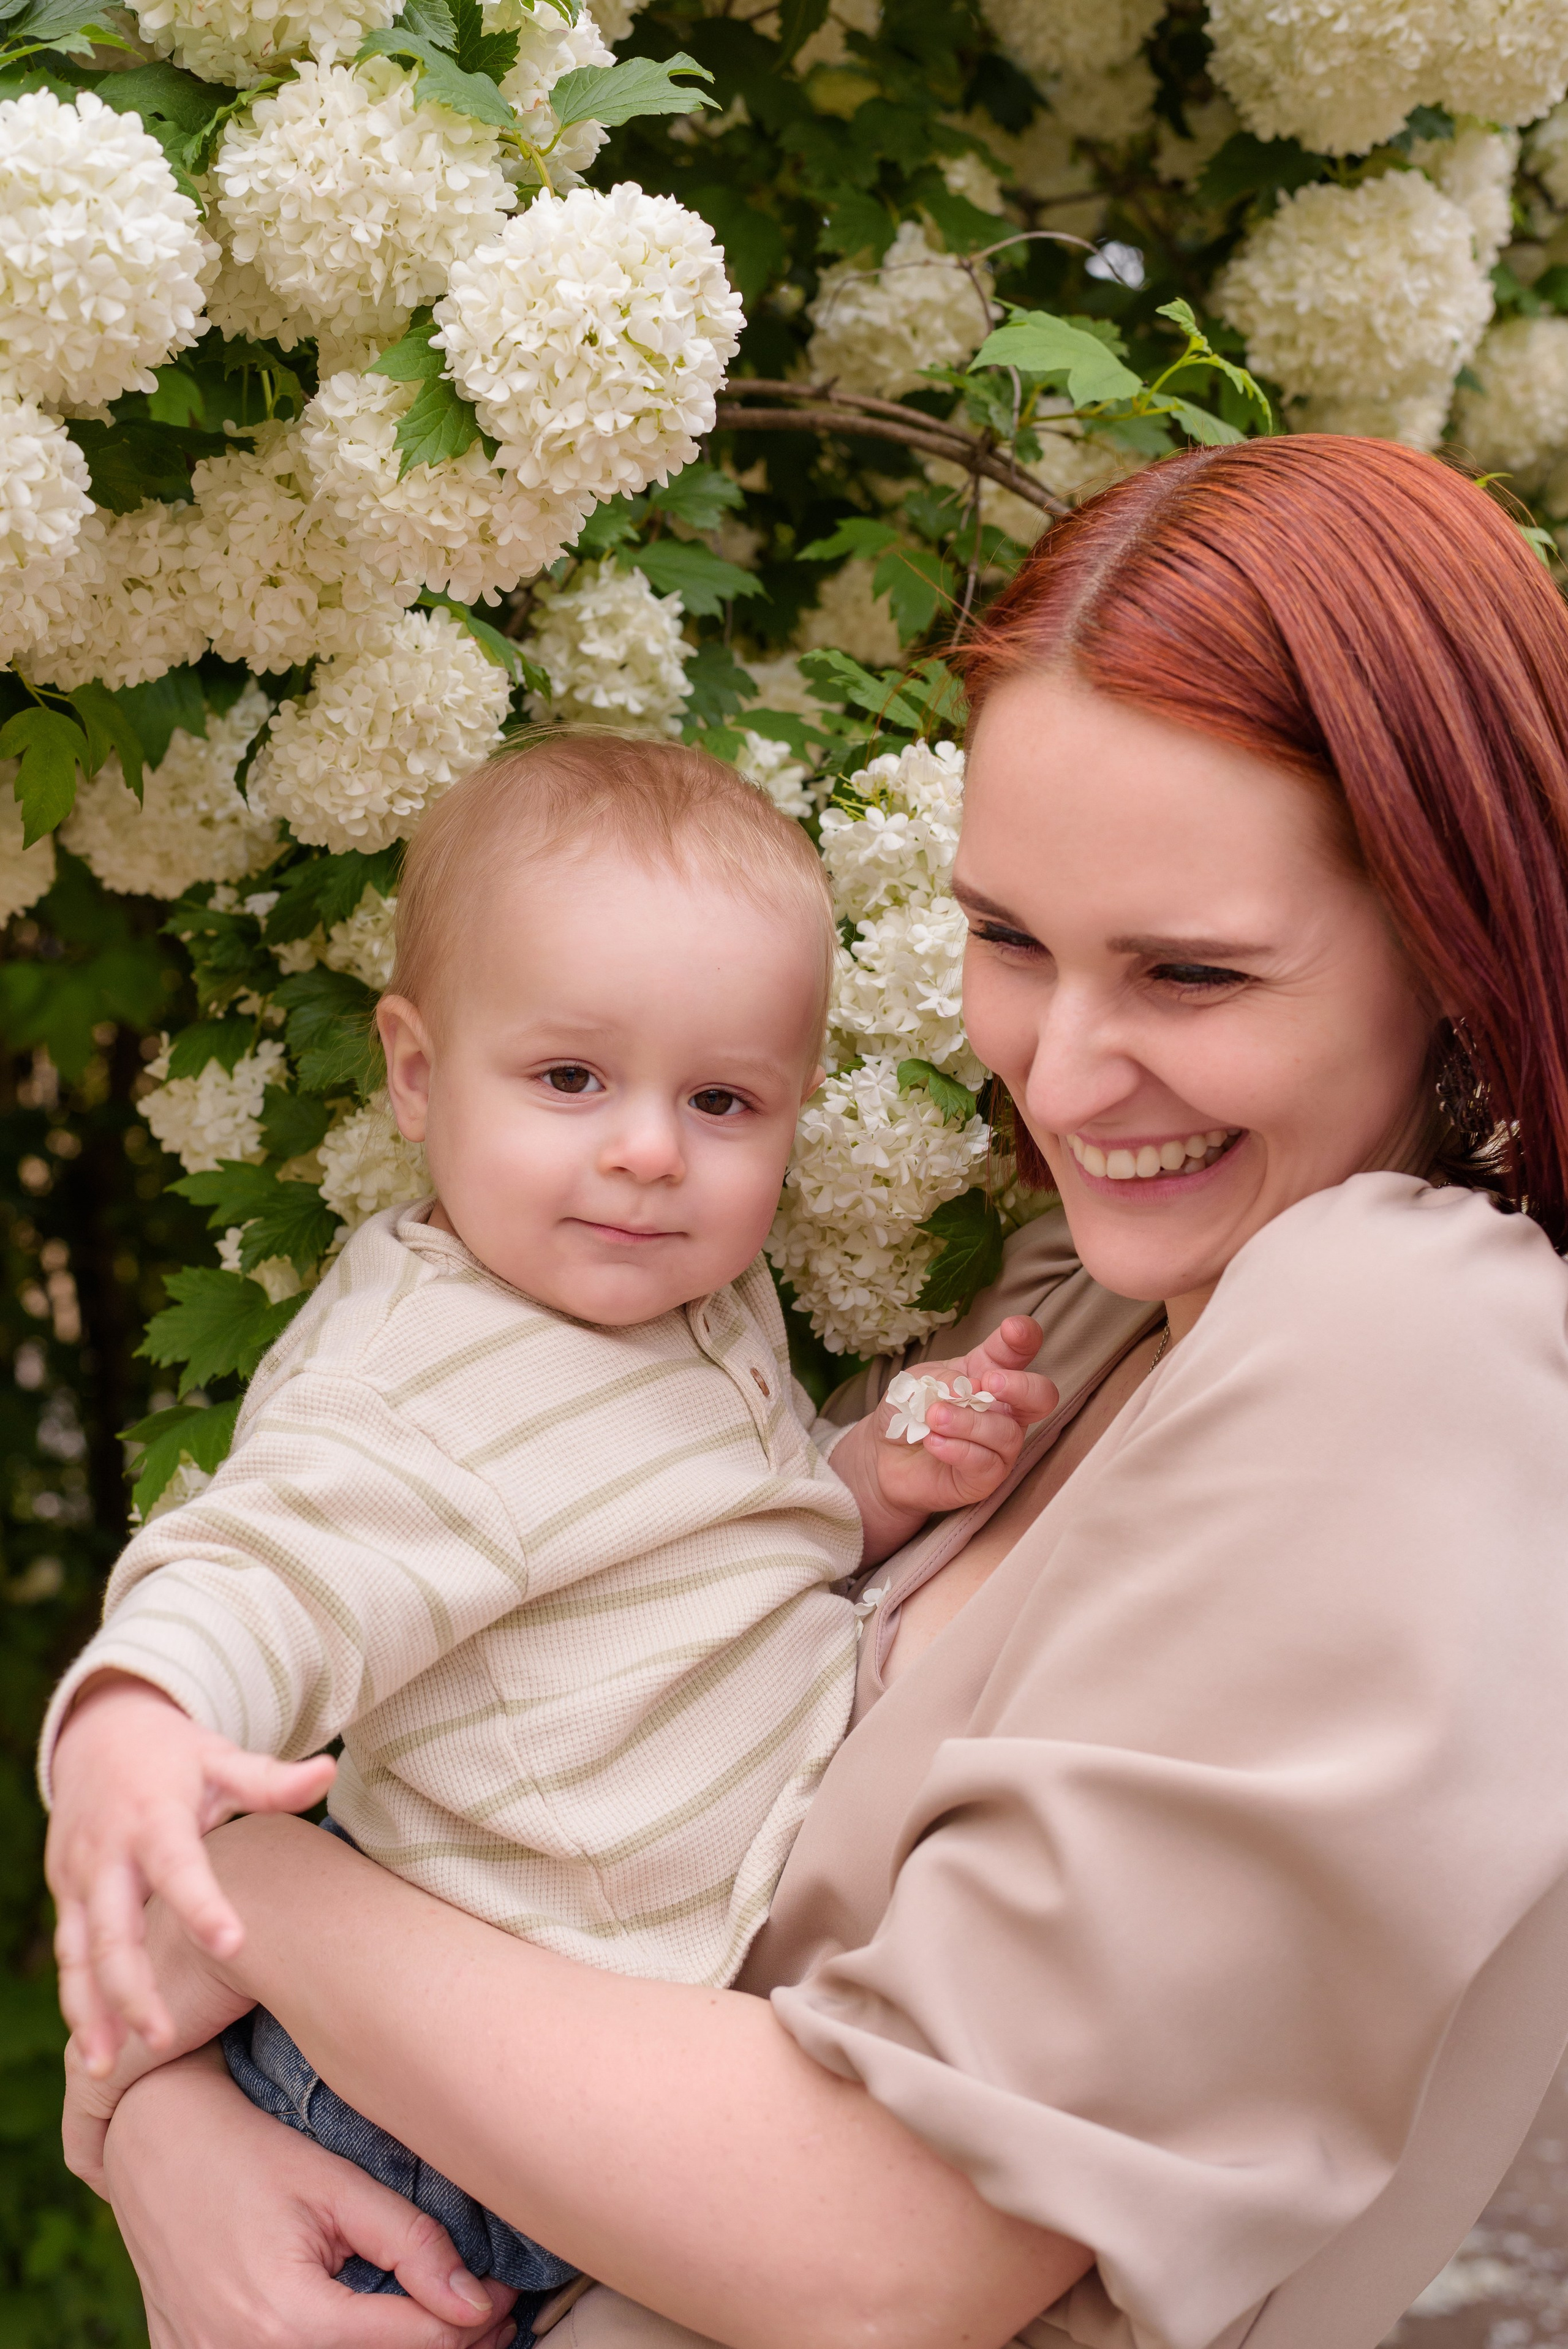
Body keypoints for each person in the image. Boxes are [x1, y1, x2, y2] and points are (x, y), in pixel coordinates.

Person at [58, 437, 1568, 2349]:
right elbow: (551, 1680)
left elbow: (886, 2252)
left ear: (1452, 935)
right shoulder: (1097, 1292)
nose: (1069, 1071)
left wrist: (231, 1879)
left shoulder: (1414, 1336)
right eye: (1010, 938)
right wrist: (168, 2119)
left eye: (1189, 973)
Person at [39, 735, 1055, 2327]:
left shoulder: (683, 1299)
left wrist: (877, 1475)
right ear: (420, 1070)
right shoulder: (423, 1381)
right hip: (425, 2112)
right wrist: (140, 1710)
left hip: (586, 2055)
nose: (650, 1149)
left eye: (722, 1099)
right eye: (572, 1077)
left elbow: (721, 1534)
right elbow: (267, 1566)